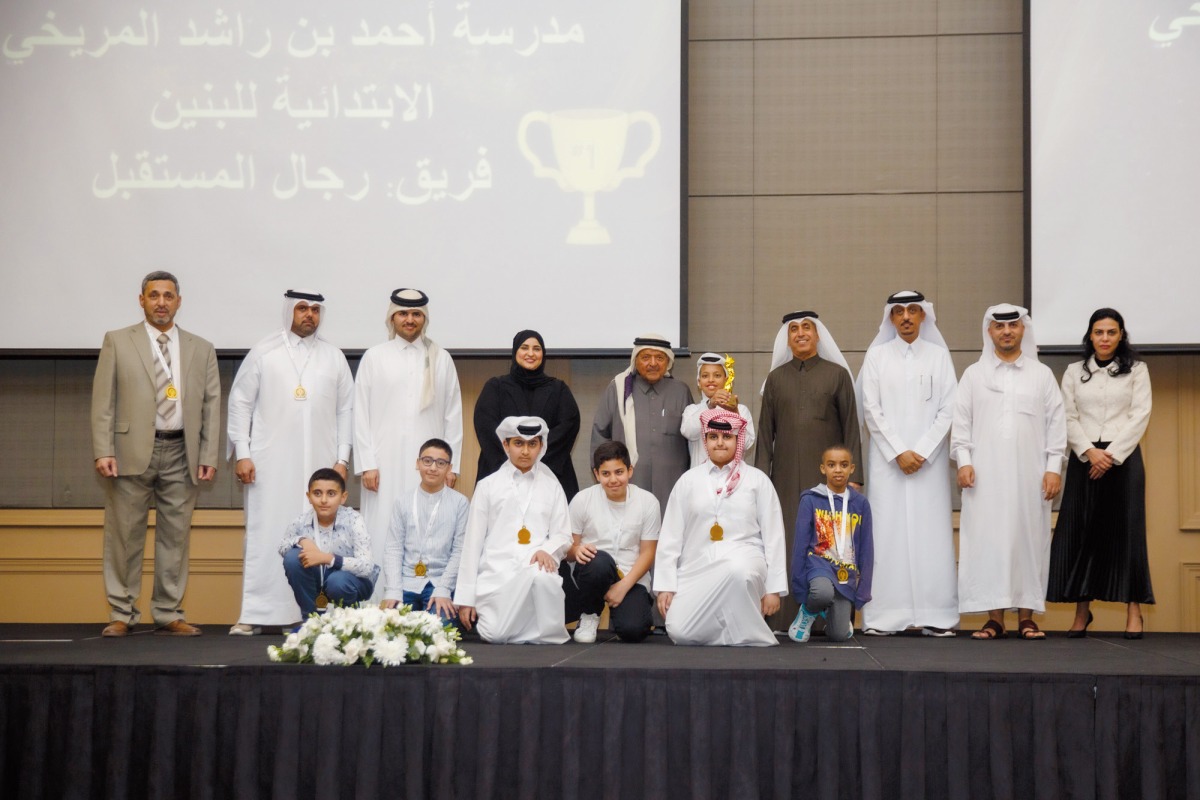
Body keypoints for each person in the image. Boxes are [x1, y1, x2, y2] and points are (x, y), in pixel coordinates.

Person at [91, 271, 221, 637]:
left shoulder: (201, 347)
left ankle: (168, 611)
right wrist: (103, 449)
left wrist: (208, 454)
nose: (161, 302)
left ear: (179, 301)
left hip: (183, 451)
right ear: (142, 300)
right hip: (129, 452)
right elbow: (103, 402)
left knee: (175, 537)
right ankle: (121, 613)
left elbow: (212, 405)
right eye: (154, 296)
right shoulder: (117, 341)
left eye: (168, 296)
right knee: (124, 536)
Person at [226, 290, 354, 635]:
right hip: (269, 463)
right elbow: (240, 404)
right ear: (289, 311)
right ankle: (256, 612)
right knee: (266, 531)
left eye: (315, 309)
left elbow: (346, 410)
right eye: (302, 308)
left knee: (317, 538)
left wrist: (342, 459)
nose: (309, 315)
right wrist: (243, 452)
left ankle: (304, 615)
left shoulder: (333, 357)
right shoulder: (264, 352)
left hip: (321, 465)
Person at [952, 304, 1066, 640]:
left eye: (1013, 326)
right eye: (1000, 327)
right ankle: (995, 619)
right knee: (989, 542)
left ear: (1022, 330)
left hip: (1030, 477)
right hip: (984, 478)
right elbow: (961, 423)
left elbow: (1056, 426)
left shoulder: (1041, 375)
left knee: (1027, 541)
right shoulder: (974, 374)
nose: (1006, 332)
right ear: (989, 331)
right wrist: (964, 462)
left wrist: (1053, 469)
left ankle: (1027, 617)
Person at [856, 291, 959, 637]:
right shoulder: (877, 356)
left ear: (923, 316)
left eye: (913, 311)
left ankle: (936, 614)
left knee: (931, 536)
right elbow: (871, 409)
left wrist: (925, 450)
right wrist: (899, 451)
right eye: (898, 312)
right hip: (889, 464)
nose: (906, 317)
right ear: (890, 318)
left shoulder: (939, 356)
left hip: (929, 465)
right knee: (887, 535)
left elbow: (949, 408)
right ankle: (885, 615)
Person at [1047, 308, 1154, 638]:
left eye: (1111, 332)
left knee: (1128, 535)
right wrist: (1089, 451)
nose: (1105, 338)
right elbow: (1066, 416)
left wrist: (1111, 455)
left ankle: (1134, 612)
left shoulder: (1137, 370)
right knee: (1083, 533)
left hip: (1123, 460)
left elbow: (1140, 415)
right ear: (1089, 336)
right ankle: (1082, 612)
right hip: (1084, 458)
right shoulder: (1073, 371)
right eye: (1098, 332)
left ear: (1121, 334)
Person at [754, 311, 862, 629]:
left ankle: (830, 620)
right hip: (784, 479)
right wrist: (761, 480)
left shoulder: (837, 375)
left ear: (818, 335)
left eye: (807, 328)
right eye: (794, 330)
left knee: (830, 545)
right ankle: (784, 617)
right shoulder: (775, 379)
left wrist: (854, 479)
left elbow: (851, 428)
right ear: (787, 339)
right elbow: (764, 434)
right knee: (787, 541)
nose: (800, 334)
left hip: (830, 481)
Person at [354, 288, 462, 597]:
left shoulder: (441, 358)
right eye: (403, 313)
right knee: (382, 526)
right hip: (382, 466)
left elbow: (453, 414)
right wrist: (367, 464)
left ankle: (422, 600)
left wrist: (450, 469)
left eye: (416, 314)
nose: (409, 320)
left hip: (430, 469)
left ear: (424, 319)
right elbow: (359, 413)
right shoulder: (375, 356)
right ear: (392, 317)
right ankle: (377, 602)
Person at [654, 408, 787, 646]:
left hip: (745, 561)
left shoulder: (758, 481)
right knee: (679, 631)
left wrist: (774, 589)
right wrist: (666, 585)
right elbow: (670, 537)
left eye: (727, 437)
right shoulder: (688, 481)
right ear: (705, 441)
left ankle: (741, 631)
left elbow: (774, 537)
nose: (720, 443)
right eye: (713, 437)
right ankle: (726, 633)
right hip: (697, 567)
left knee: (737, 570)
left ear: (738, 440)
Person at [456, 417, 572, 644]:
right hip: (497, 574)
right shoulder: (487, 485)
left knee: (544, 579)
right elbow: (472, 544)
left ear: (542, 446)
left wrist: (547, 550)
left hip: (535, 569)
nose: (526, 451)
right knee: (494, 635)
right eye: (518, 443)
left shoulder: (553, 486)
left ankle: (534, 632)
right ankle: (526, 633)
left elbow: (564, 535)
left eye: (532, 444)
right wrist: (465, 598)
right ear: (505, 445)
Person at [562, 441, 660, 643]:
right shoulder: (582, 500)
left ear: (630, 471)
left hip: (630, 576)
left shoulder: (648, 502)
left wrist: (623, 586)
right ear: (596, 474)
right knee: (599, 561)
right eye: (606, 474)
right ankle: (589, 614)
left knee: (634, 630)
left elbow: (648, 552)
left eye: (619, 472)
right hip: (593, 571)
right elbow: (568, 550)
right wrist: (577, 550)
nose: (613, 479)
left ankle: (624, 611)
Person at [591, 334, 694, 512]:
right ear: (635, 360)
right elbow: (600, 434)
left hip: (672, 486)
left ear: (668, 362)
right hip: (628, 484)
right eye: (646, 357)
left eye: (659, 358)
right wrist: (606, 476)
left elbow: (694, 438)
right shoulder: (618, 389)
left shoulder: (681, 391)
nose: (653, 363)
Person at [473, 329, 581, 498]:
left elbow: (568, 426)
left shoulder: (558, 389)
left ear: (543, 354)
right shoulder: (496, 387)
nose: (530, 353)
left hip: (548, 473)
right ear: (515, 351)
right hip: (502, 473)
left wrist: (535, 461)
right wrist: (513, 463)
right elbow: (486, 427)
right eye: (524, 348)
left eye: (536, 349)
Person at [789, 445, 875, 643]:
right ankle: (808, 612)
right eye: (831, 465)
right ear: (822, 469)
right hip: (818, 565)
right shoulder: (810, 499)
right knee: (822, 593)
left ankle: (833, 617)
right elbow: (800, 543)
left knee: (839, 635)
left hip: (845, 572)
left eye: (843, 465)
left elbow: (867, 548)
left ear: (852, 469)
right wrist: (800, 584)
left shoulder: (861, 504)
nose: (838, 469)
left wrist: (864, 589)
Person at [381, 438, 470, 625]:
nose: (432, 468)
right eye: (427, 461)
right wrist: (393, 591)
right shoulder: (402, 502)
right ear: (418, 463)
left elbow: (460, 551)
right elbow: (393, 549)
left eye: (441, 463)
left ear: (449, 468)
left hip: (439, 584)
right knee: (388, 627)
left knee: (439, 628)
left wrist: (444, 588)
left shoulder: (460, 503)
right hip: (407, 583)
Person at [278, 468, 378, 622]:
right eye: (317, 493)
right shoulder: (300, 522)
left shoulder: (354, 520)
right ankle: (311, 621)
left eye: (331, 494)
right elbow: (283, 547)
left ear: (343, 497)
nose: (323, 500)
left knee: (337, 581)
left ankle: (349, 622)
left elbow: (366, 567)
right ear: (309, 497)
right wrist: (303, 540)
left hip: (353, 581)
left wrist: (328, 558)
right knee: (292, 558)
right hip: (318, 580)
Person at [681, 352, 756, 468]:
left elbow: (746, 444)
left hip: (733, 478)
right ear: (698, 382)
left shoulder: (741, 410)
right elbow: (689, 433)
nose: (711, 380)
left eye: (717, 375)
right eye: (705, 376)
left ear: (726, 380)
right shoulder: (691, 410)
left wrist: (735, 413)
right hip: (701, 479)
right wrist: (710, 405)